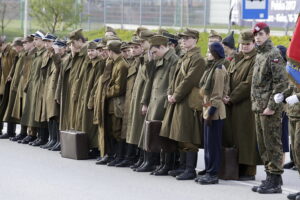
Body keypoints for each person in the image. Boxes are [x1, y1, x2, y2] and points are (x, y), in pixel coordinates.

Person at [160, 28, 206, 180]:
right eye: (182, 38)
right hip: (179, 100)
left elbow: (190, 80)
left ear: (195, 39)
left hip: (188, 101)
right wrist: (169, 92)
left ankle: (190, 169)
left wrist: (176, 95)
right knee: (179, 133)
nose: (184, 41)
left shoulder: (198, 59)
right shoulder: (185, 56)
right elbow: (174, 78)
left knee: (188, 135)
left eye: (187, 38)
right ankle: (182, 167)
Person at [251, 22, 288, 194]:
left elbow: (280, 83)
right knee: (263, 144)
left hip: (269, 108)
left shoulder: (274, 54)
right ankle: (269, 177)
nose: (257, 38)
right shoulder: (259, 55)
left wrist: (272, 106)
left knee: (272, 143)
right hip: (259, 107)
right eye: (256, 35)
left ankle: (275, 181)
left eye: (261, 35)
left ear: (267, 34)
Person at [137, 35, 178, 175]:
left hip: (164, 102)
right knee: (152, 133)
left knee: (163, 135)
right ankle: (153, 162)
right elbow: (149, 80)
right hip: (154, 101)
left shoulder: (173, 60)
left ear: (162, 47)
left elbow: (173, 84)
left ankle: (165, 164)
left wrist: (168, 102)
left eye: (154, 52)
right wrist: (145, 102)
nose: (153, 54)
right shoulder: (158, 60)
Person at [222, 30, 260, 181]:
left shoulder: (255, 59)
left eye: (247, 44)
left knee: (247, 137)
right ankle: (236, 167)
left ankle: (249, 171)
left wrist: (231, 98)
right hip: (232, 103)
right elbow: (228, 78)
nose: (244, 46)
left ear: (253, 43)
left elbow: (248, 83)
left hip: (245, 103)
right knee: (236, 136)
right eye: (242, 44)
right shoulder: (237, 58)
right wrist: (226, 94)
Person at [274, 15, 300, 200]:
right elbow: (293, 84)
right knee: (297, 153)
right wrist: (283, 94)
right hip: (294, 114)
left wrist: (297, 97)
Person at [195, 42, 228, 184]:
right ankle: (208, 168)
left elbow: (217, 95)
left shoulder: (219, 69)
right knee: (208, 144)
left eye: (209, 52)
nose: (207, 54)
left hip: (215, 112)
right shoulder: (212, 67)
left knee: (213, 144)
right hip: (208, 110)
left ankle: (213, 173)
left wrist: (210, 113)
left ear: (215, 53)